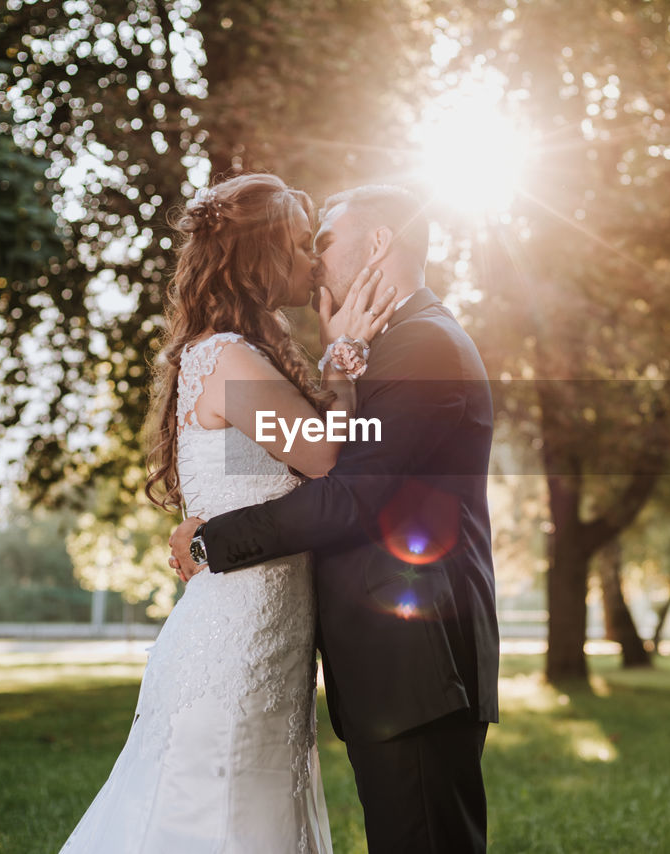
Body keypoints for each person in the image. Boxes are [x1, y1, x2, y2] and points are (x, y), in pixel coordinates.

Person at [60, 172, 399, 854]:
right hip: (235, 649)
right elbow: (327, 460)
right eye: (301, 246)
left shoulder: (232, 354)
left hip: (267, 642)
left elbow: (274, 482)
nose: (312, 261)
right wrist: (345, 358)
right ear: (262, 258)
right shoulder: (228, 359)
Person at [169, 184, 500, 854]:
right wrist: (340, 361)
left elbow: (348, 494)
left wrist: (211, 541)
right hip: (394, 664)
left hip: (422, 664)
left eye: (324, 239)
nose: (314, 260)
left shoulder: (423, 346)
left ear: (378, 244)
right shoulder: (396, 343)